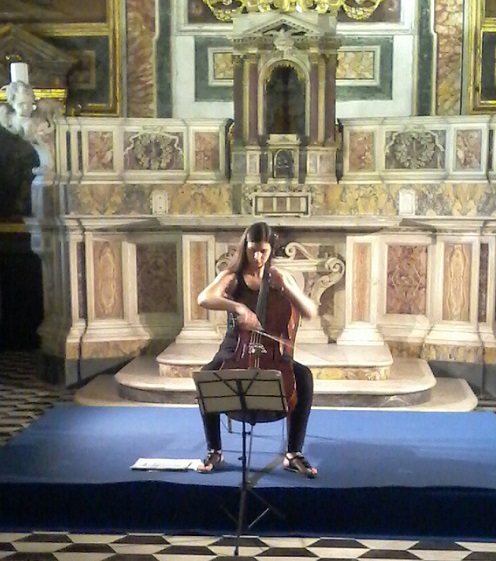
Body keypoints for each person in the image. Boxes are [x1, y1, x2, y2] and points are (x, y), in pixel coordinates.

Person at [196, 221, 318, 478]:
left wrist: (287, 287)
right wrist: (238, 307)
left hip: (272, 352)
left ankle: (293, 452)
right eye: (253, 251)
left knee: (304, 377)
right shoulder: (232, 277)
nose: (258, 257)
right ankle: (214, 450)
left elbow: (309, 311)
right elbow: (204, 298)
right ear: (245, 248)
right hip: (235, 346)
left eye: (263, 251)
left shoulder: (279, 277)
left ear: (271, 249)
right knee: (207, 376)